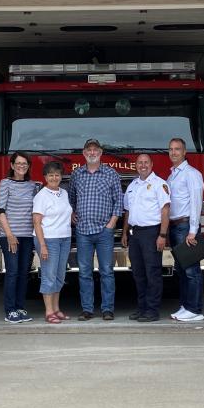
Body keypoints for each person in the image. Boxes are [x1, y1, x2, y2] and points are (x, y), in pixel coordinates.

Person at [68, 137, 122, 321]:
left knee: (107, 271)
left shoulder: (111, 173)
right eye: (88, 150)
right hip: (82, 230)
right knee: (84, 272)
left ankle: (107, 309)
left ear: (100, 153)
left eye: (95, 150)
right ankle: (87, 309)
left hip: (104, 231)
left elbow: (119, 201)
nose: (92, 153)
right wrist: (71, 213)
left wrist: (112, 223)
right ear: (84, 153)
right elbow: (71, 198)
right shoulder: (76, 174)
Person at [121, 153, 170, 323]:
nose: (142, 165)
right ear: (136, 165)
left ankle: (152, 310)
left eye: (146, 162)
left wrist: (162, 235)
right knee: (138, 273)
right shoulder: (133, 185)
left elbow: (165, 210)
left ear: (152, 164)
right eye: (139, 163)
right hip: (135, 234)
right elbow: (127, 211)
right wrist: (125, 232)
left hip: (152, 233)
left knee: (152, 273)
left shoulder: (160, 184)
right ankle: (142, 308)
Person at [0, 151, 39, 323]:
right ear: (12, 165)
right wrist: (10, 235)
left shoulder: (32, 185)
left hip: (27, 235)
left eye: (25, 163)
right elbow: (0, 211)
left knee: (23, 273)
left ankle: (20, 308)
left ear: (28, 166)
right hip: (10, 235)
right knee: (12, 272)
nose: (21, 166)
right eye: (18, 163)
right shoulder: (5, 183)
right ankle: (10, 310)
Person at [167, 137, 204, 322]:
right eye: (171, 149)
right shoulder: (172, 174)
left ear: (184, 152)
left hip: (186, 227)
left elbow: (196, 204)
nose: (173, 152)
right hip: (176, 227)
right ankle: (186, 306)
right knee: (182, 270)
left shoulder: (192, 174)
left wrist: (193, 230)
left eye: (177, 149)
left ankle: (195, 310)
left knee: (192, 271)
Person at [32, 160, 73, 324]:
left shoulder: (64, 193)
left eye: (57, 175)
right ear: (45, 177)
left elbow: (66, 211)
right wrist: (42, 245)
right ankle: (49, 312)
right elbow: (36, 222)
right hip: (48, 239)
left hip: (65, 238)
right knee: (49, 276)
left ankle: (56, 309)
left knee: (59, 276)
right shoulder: (41, 196)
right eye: (51, 175)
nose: (54, 178)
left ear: (61, 176)